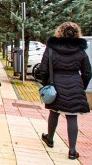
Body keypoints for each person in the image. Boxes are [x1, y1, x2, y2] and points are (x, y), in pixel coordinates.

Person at [39, 22, 91, 160]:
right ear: (76, 33)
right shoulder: (81, 51)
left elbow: (43, 70)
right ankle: (72, 151)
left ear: (59, 32)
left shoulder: (51, 49)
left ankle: (50, 139)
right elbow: (87, 72)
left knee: (54, 112)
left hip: (55, 84)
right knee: (72, 116)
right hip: (75, 84)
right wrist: (82, 86)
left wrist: (46, 85)